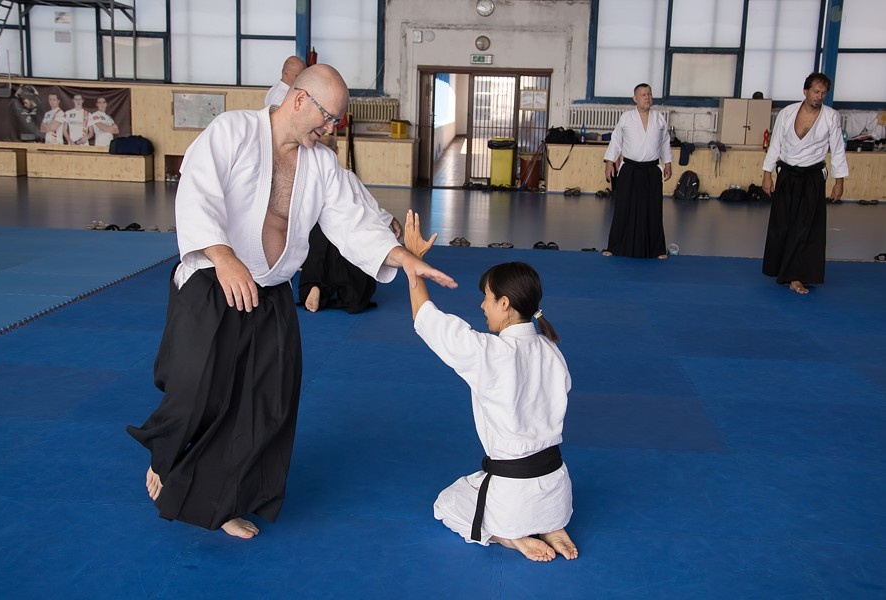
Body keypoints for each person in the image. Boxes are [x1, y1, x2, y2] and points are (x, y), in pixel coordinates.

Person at [126, 64, 457, 540]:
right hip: (213, 279)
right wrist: (223, 256)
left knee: (267, 404)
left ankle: (222, 500)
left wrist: (404, 259)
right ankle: (166, 453)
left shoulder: (320, 163)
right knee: (197, 390)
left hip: (271, 290)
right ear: (299, 100)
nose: (330, 129)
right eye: (327, 118)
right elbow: (196, 190)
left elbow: (353, 219)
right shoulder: (234, 131)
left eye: (336, 122)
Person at [403, 211, 578, 563]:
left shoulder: (489, 353)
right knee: (494, 480)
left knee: (447, 502)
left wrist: (413, 262)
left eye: (486, 297)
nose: (481, 305)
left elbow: (425, 317)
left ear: (505, 304)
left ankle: (508, 536)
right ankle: (551, 524)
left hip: (512, 499)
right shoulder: (551, 349)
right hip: (558, 489)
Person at [761, 72, 848, 295]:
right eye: (816, 91)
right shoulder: (787, 113)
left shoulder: (831, 117)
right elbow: (776, 143)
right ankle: (782, 269)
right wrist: (767, 173)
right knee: (783, 225)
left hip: (813, 176)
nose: (820, 96)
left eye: (824, 93)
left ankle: (797, 276)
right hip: (787, 174)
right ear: (805, 91)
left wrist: (839, 182)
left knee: (805, 228)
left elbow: (838, 150)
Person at [298, 134, 403, 313]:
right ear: (336, 152)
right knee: (358, 251)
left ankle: (315, 287)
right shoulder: (346, 176)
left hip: (315, 249)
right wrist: (390, 220)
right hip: (345, 240)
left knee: (315, 255)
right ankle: (352, 295)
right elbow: (371, 209)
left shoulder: (304, 178)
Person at [601, 83, 672, 259]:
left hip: (652, 170)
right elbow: (616, 140)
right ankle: (615, 246)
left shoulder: (659, 118)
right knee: (623, 208)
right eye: (643, 94)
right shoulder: (626, 117)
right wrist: (610, 162)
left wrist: (668, 163)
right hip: (630, 169)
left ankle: (657, 249)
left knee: (653, 210)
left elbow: (664, 142)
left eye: (649, 94)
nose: (647, 97)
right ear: (635, 99)